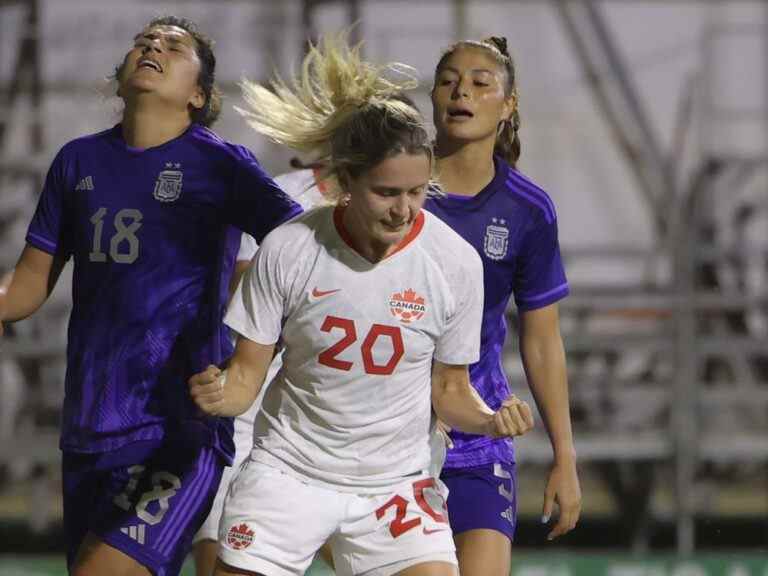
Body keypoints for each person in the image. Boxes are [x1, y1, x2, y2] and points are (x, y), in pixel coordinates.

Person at [187, 34, 534, 576]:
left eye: (418, 192)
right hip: (290, 474)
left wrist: (491, 421)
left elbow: (450, 391)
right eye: (387, 193)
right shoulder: (288, 248)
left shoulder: (454, 262)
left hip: (394, 485)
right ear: (345, 182)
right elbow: (245, 380)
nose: (404, 211)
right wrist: (218, 394)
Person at [0, 15, 302, 576]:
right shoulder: (77, 161)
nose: (152, 46)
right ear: (119, 79)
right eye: (144, 41)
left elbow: (301, 250)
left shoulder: (222, 164)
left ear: (199, 95)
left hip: (177, 429)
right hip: (88, 428)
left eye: (173, 44)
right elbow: (26, 284)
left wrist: (251, 325)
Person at [424, 36, 582, 575]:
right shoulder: (392, 190)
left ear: (508, 105)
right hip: (387, 432)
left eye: (479, 82)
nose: (460, 91)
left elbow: (542, 339)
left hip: (479, 432)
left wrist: (565, 457)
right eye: (448, 79)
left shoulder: (528, 210)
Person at [192, 166, 329, 576]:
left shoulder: (409, 204)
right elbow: (243, 291)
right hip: (256, 396)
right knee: (225, 538)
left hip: (347, 413)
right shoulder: (281, 193)